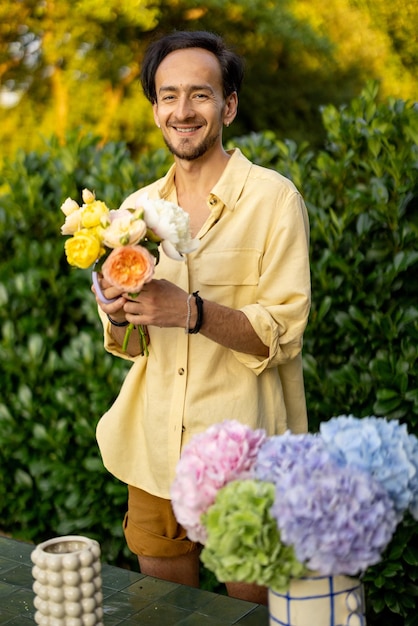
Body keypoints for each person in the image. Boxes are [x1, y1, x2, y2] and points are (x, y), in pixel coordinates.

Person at [93, 30, 311, 605]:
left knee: (249, 614)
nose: (182, 110)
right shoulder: (134, 209)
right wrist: (116, 310)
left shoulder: (274, 200)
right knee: (163, 616)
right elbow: (129, 343)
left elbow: (283, 332)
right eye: (168, 96)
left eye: (200, 94)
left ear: (229, 105)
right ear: (155, 108)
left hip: (243, 457)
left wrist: (189, 312)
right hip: (152, 452)